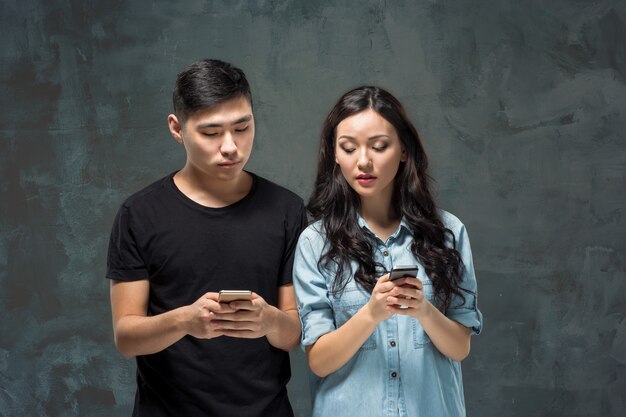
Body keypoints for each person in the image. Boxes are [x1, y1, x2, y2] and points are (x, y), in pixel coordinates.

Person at [106, 59, 306, 417]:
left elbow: (292, 333)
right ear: (176, 128)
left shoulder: (287, 209)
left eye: (242, 128)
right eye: (211, 133)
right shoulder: (139, 214)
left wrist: (268, 321)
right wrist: (184, 320)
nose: (230, 147)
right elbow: (126, 336)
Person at [293, 86, 483, 417]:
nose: (363, 161)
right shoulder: (315, 243)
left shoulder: (448, 233)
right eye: (348, 148)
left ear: (404, 150)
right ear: (335, 155)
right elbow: (319, 361)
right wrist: (371, 314)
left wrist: (423, 310)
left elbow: (460, 347)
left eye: (379, 146)